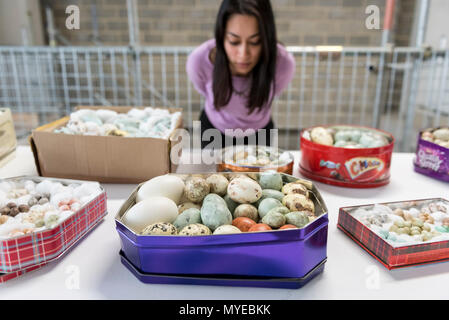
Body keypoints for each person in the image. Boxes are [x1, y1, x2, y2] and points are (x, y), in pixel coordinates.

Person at [186, 0, 296, 149]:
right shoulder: (199, 61)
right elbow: (203, 89)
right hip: (214, 131)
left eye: (255, 42)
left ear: (267, 38)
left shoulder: (283, 63)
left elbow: (276, 89)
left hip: (260, 133)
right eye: (234, 41)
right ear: (221, 36)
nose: (243, 54)